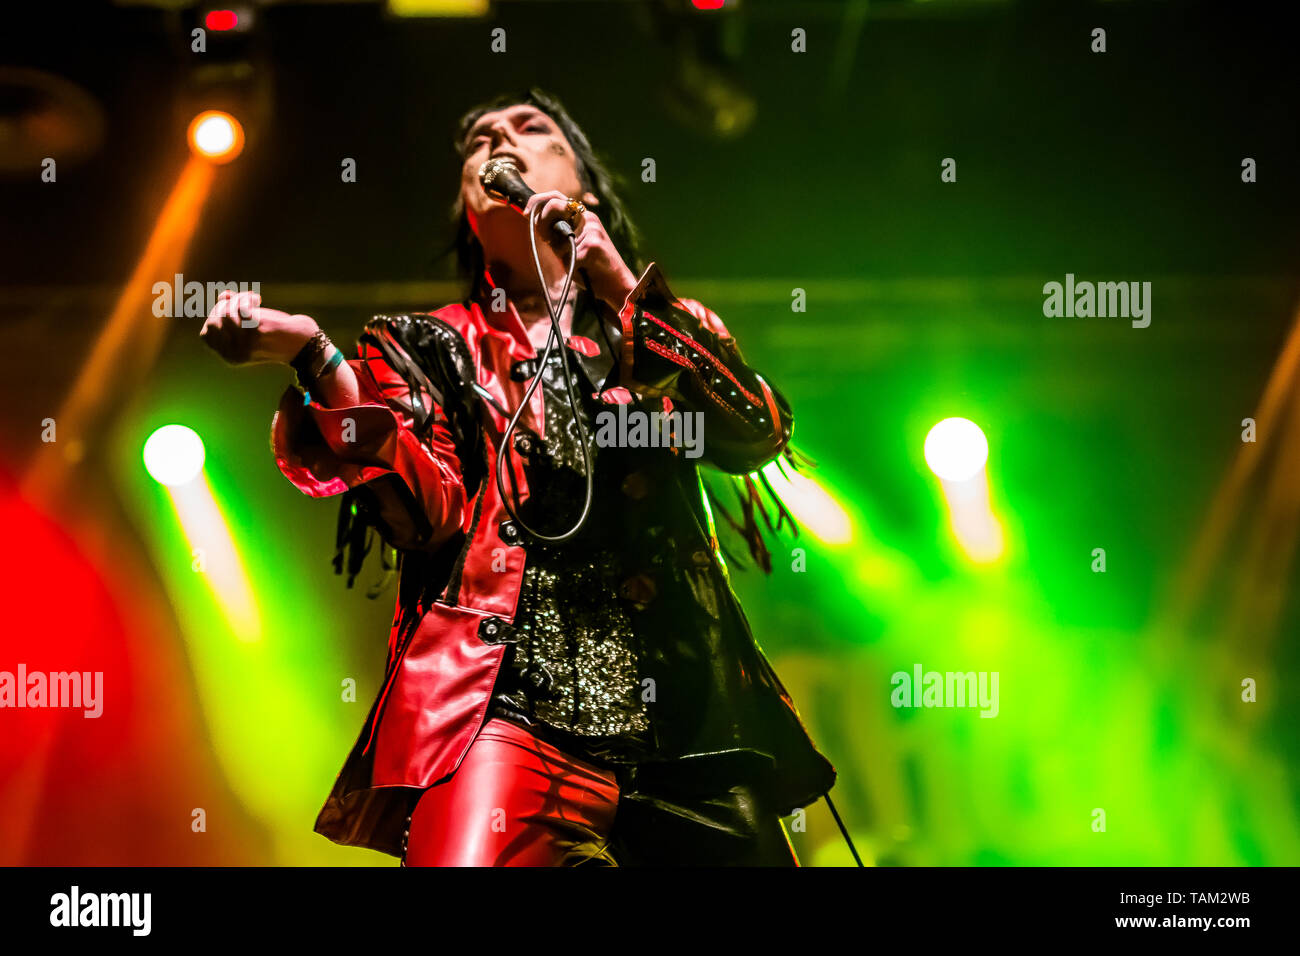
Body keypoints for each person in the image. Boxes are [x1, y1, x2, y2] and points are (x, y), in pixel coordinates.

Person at [201, 88, 835, 866]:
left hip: (689, 723)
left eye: (531, 129)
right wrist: (315, 359)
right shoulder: (426, 346)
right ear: (471, 212)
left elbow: (755, 431)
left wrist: (614, 281)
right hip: (510, 708)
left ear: (585, 192)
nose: (498, 138)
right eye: (478, 141)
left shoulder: (669, 324)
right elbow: (422, 516)